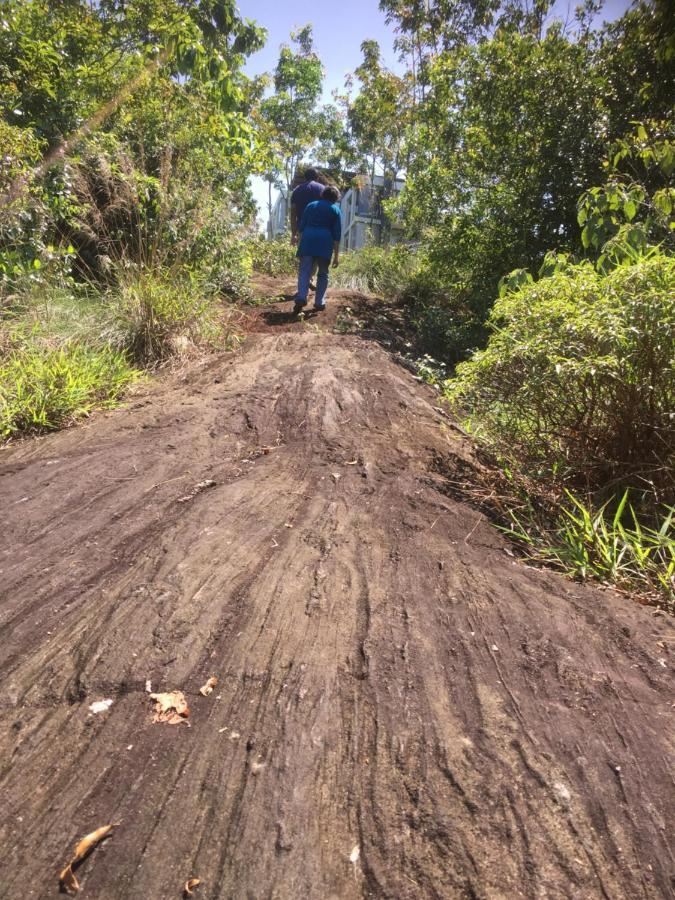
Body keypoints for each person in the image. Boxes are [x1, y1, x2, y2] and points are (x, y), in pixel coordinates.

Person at [294, 185, 341, 314]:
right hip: (325, 242)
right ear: (336, 198)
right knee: (323, 273)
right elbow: (337, 235)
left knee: (305, 270)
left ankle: (301, 297)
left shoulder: (311, 205)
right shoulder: (335, 210)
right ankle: (319, 302)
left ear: (323, 194)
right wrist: (336, 256)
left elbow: (301, 227)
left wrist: (300, 244)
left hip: (308, 240)